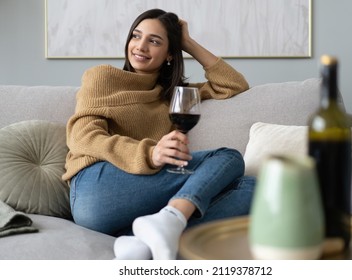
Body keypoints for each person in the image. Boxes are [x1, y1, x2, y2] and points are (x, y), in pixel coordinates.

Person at [62, 8, 256, 260]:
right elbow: (83, 137)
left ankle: (142, 242)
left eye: (154, 41)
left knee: (254, 188)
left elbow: (233, 85)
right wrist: (151, 153)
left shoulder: (174, 95)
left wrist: (187, 43)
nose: (140, 46)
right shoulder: (102, 77)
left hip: (140, 199)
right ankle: (172, 219)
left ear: (169, 55)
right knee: (228, 157)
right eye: (136, 36)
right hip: (95, 188)